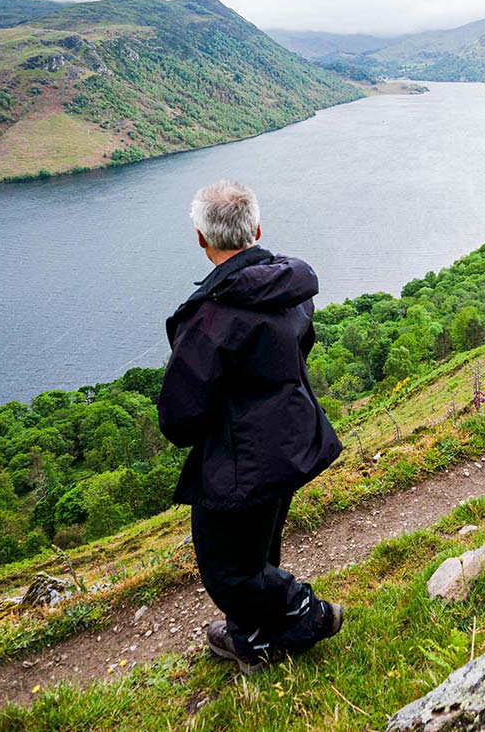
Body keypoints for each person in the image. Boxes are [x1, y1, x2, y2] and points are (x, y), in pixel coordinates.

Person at [157, 180, 344, 674]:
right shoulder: (289, 288)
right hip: (289, 437)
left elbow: (180, 417)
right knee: (258, 545)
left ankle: (308, 613)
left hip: (240, 459)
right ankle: (250, 639)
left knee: (226, 569)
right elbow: (297, 345)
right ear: (256, 229)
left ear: (202, 239)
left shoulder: (212, 319)